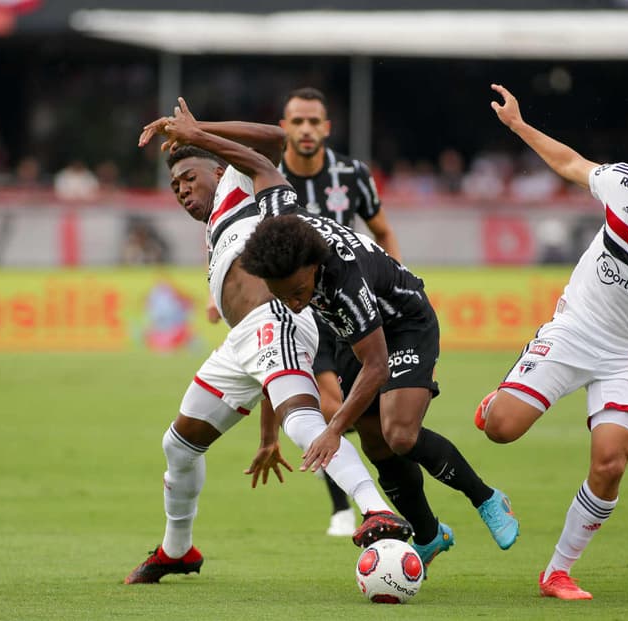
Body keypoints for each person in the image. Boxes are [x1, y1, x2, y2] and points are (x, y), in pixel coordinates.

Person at [160, 100, 520, 574]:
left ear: (309, 272)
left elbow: (376, 365)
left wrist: (331, 431)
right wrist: (271, 431)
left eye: (295, 293)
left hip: (401, 321)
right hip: (347, 326)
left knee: (399, 433)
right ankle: (429, 535)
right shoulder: (276, 212)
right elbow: (275, 333)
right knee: (374, 443)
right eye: (280, 295)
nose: (290, 305)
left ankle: (487, 497)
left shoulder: (341, 281)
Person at [124, 101, 412, 584]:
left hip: (274, 318)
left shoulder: (239, 182)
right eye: (175, 187)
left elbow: (269, 140)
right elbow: (261, 359)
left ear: (218, 168)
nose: (182, 190)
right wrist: (265, 436)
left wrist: (200, 129)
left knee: (304, 420)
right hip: (243, 341)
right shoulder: (215, 233)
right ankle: (178, 550)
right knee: (178, 445)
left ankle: (375, 511)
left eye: (189, 178)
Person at [475, 84, 628, 600]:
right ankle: (498, 401)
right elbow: (571, 163)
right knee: (500, 429)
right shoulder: (622, 184)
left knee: (611, 462)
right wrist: (520, 126)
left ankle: (557, 572)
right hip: (574, 330)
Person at [278, 86, 404, 537]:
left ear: (327, 128)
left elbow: (383, 231)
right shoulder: (267, 177)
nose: (307, 129)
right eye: (298, 121)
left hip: (347, 303)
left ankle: (366, 503)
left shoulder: (352, 174)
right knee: (330, 405)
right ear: (283, 128)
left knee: (367, 419)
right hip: (296, 312)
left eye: (314, 122)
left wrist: (394, 284)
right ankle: (345, 506)